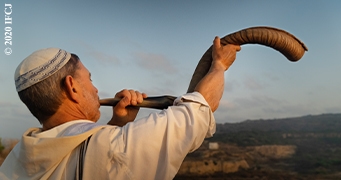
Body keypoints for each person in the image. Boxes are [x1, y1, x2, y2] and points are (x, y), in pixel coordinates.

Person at [0, 37, 240, 180]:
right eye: (90, 80)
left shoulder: (17, 159)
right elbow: (198, 108)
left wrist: (119, 124)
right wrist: (219, 65)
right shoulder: (117, 148)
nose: (95, 90)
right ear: (72, 87)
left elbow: (82, 156)